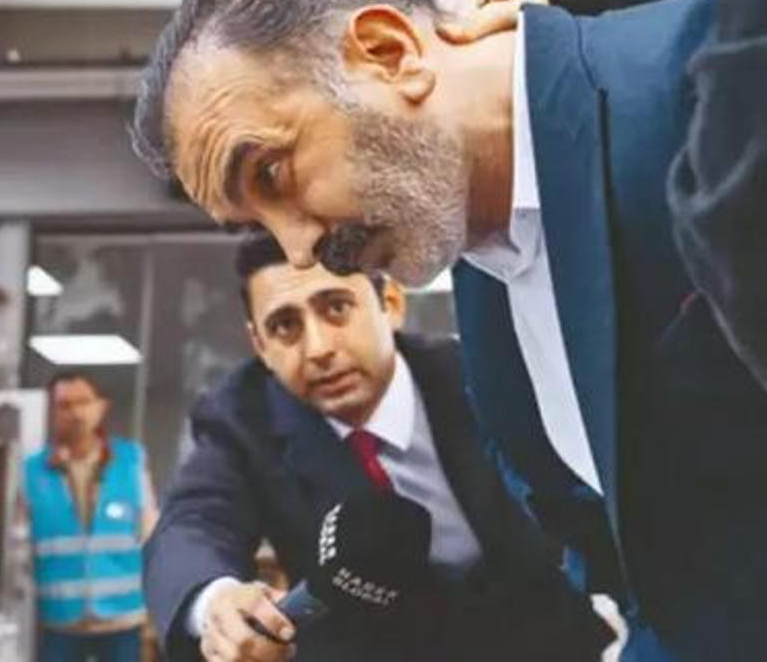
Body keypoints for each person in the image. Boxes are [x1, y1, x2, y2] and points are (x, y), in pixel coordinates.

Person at [129, 0, 767, 659]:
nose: (300, 251)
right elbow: (653, 576)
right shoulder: (480, 290)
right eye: (256, 225)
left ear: (389, 53)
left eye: (273, 173)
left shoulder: (720, 76)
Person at [144, 232, 617, 662]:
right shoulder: (241, 419)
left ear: (390, 303)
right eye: (285, 326)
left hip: (541, 638)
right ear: (260, 345)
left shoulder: (477, 376)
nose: (318, 348)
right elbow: (193, 523)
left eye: (336, 308)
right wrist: (217, 602)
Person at [22, 373, 160, 662]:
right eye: (64, 405)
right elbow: (20, 551)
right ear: (51, 411)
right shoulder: (32, 472)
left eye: (83, 402)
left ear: (101, 406)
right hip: (61, 620)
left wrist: (153, 619)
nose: (75, 413)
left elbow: (151, 537)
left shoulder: (130, 461)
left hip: (123, 618)